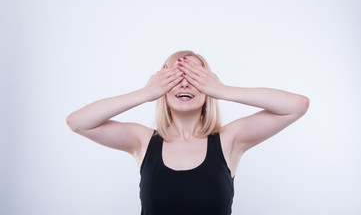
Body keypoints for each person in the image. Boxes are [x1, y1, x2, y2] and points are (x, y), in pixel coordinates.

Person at [66, 50, 309, 215]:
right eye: (176, 77)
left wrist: (222, 90)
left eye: (195, 78)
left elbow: (297, 105)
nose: (184, 84)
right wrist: (146, 93)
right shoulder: (141, 141)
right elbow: (78, 122)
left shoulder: (229, 140)